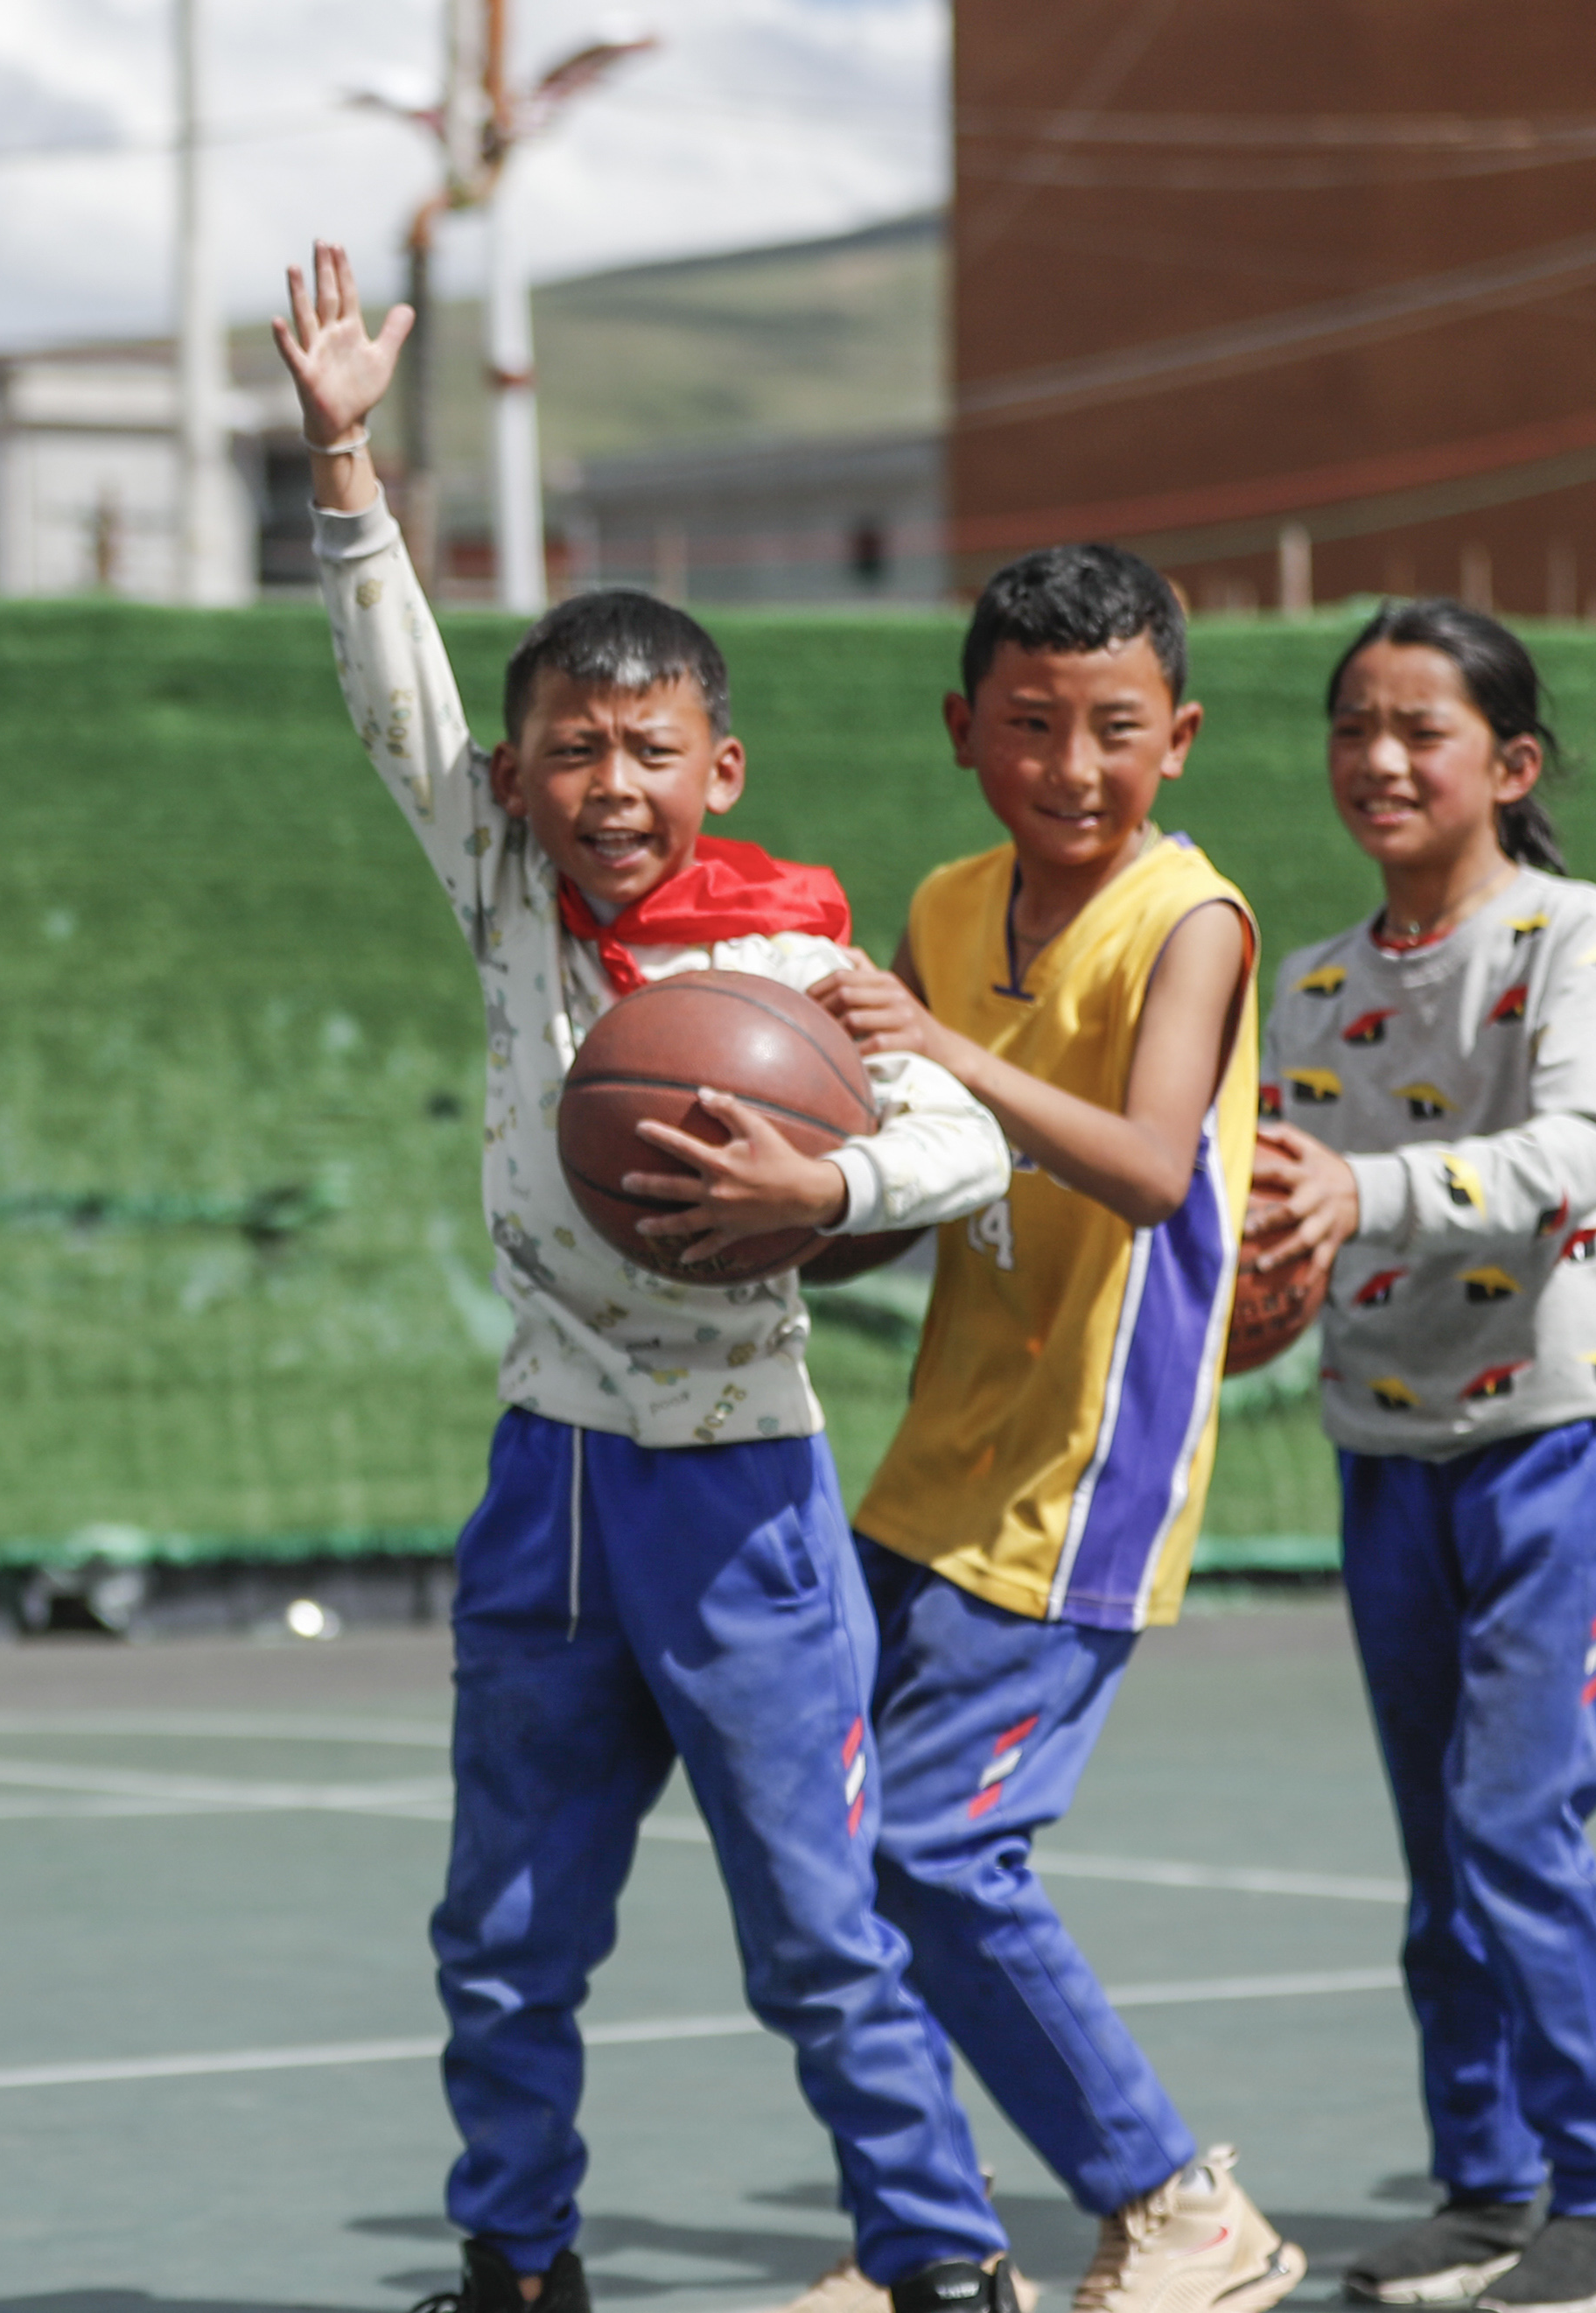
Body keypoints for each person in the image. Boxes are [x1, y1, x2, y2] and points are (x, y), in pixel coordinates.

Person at [271, 242, 1019, 2313]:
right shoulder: (502, 881)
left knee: (813, 1924)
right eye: (569, 749)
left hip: (739, 1486)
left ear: (719, 771)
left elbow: (968, 1142)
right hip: (548, 1476)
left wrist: (827, 1176)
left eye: (647, 748)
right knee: (502, 1924)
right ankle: (517, 2261)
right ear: (518, 780)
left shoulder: (790, 961)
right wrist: (341, 453)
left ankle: (943, 2258)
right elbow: (393, 684)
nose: (607, 785)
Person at [802, 547, 1298, 2313]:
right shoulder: (945, 905)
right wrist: (785, 1197)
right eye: (1028, 724)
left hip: (1088, 1475)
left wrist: (932, 1044)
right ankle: (922, 2235)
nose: (1070, 767)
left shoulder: (1190, 918)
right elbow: (921, 1178)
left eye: (1109, 729)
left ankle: (1175, 2202)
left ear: (1175, 734)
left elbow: (1151, 1165)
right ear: (961, 729)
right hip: (933, 1453)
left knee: (935, 1850)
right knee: (829, 1853)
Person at [1251, 601, 1596, 2313]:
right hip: (1384, 1456)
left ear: (1509, 763)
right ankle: (1483, 2188)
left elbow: (1574, 1145)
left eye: (1418, 728)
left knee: (1511, 1813)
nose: (1378, 758)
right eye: (1351, 726)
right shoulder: (1316, 983)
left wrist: (1357, 1191)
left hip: (1566, 1448)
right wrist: (1249, 1290)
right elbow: (1278, 1217)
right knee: (1437, 1844)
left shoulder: (1570, 938)